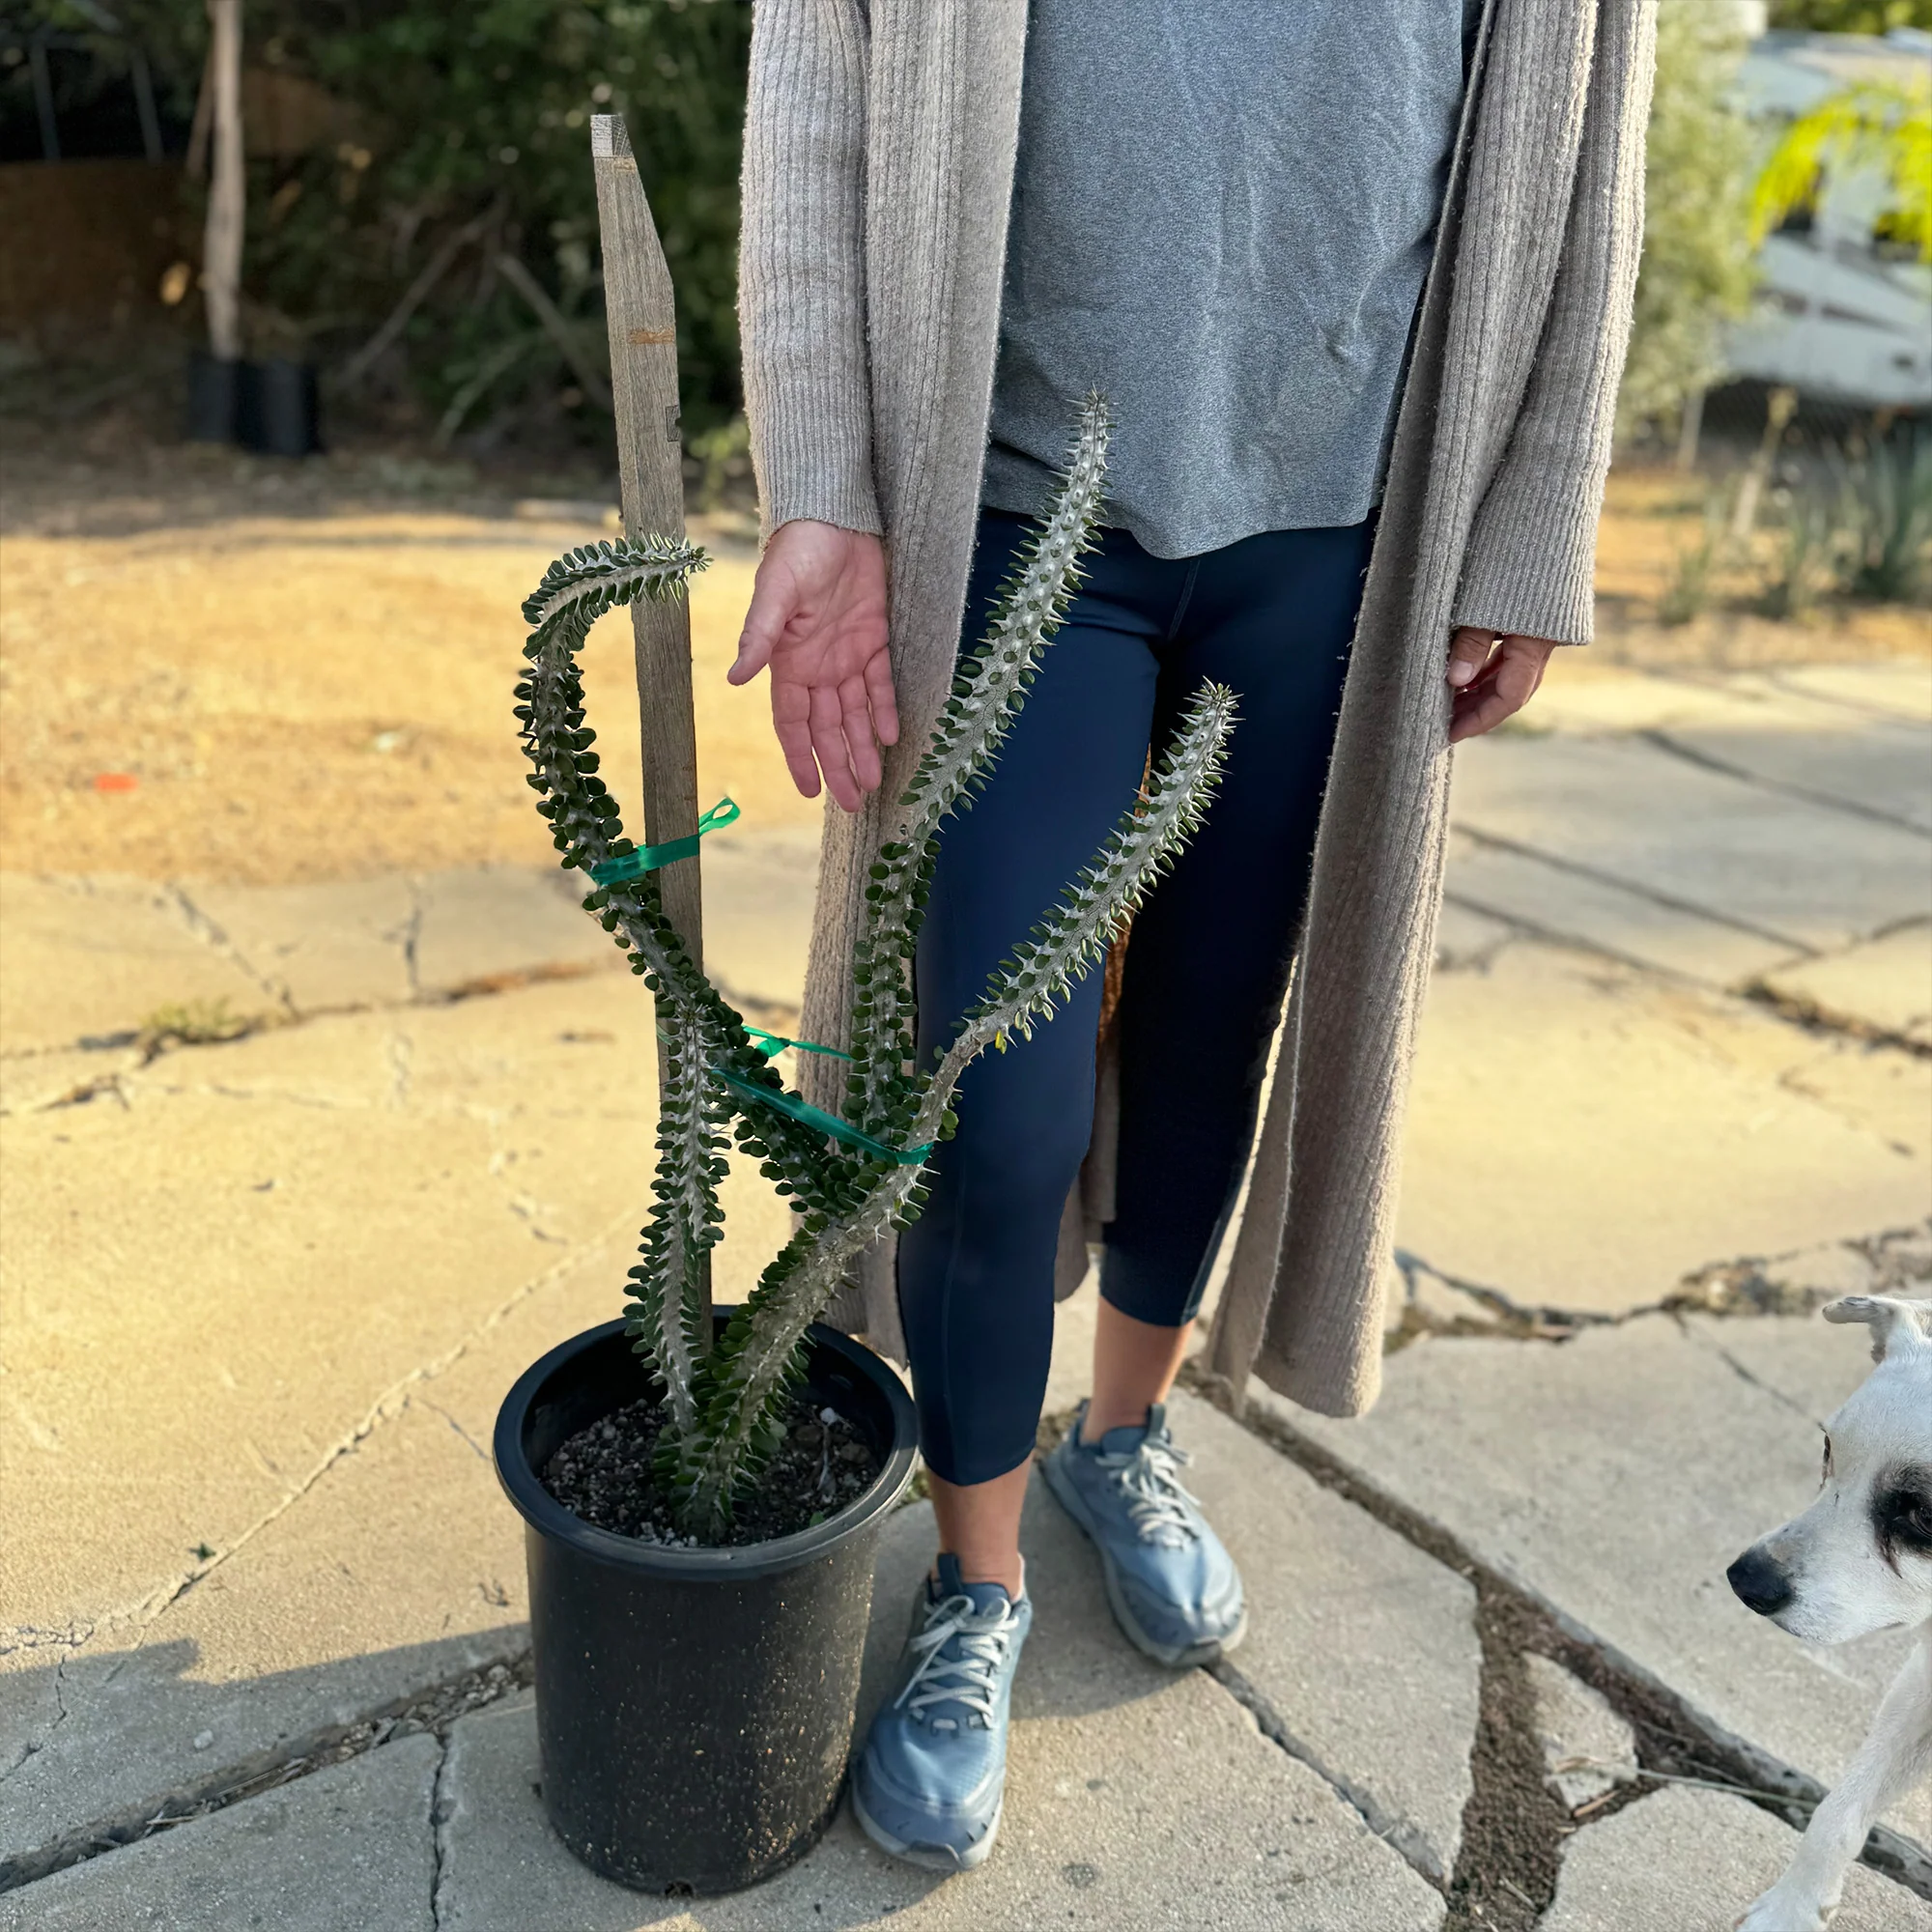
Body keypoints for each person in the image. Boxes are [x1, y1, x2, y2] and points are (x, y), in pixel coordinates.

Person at [730, 0, 1655, 1874]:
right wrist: (821, 478)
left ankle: (1118, 1436)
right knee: (997, 1090)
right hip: (1010, 507)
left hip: (1339, 523)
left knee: (1215, 1030)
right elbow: (820, 78)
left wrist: (1533, 515)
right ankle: (974, 1580)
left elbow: (1588, 131)